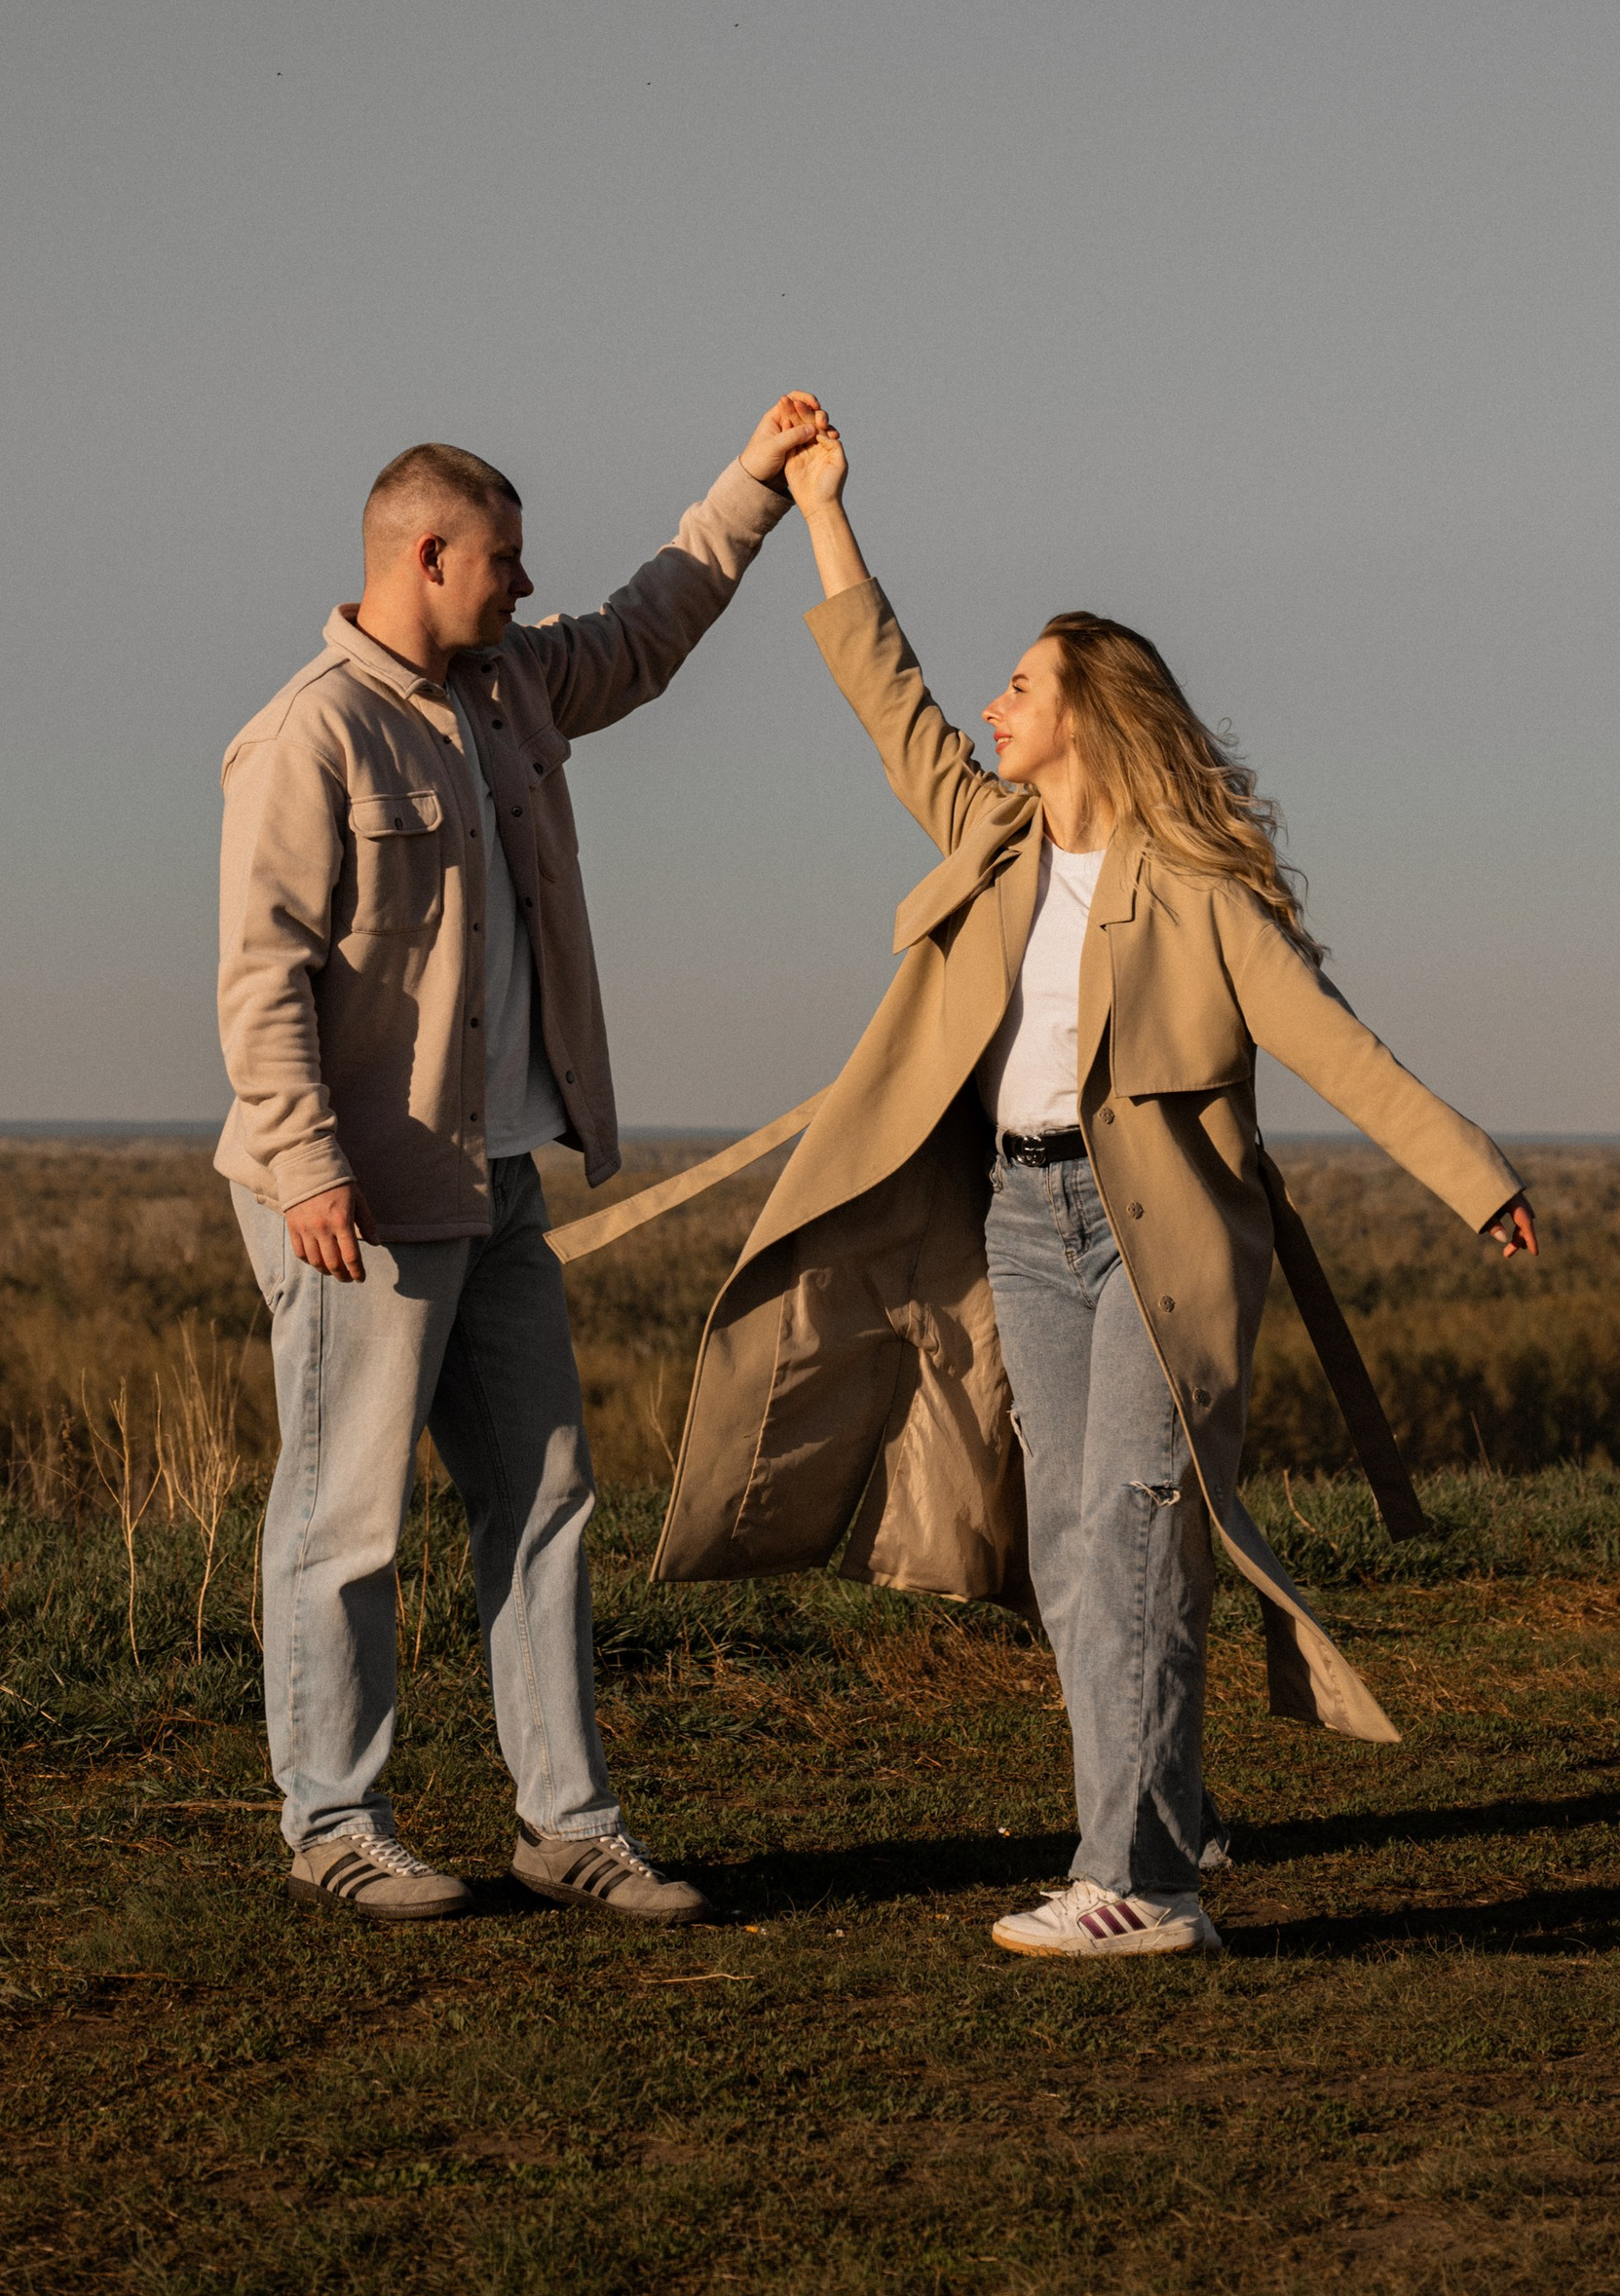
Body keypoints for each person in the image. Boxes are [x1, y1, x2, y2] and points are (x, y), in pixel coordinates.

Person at [653, 419, 1536, 1959]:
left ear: (1086, 719)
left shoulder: (1197, 896)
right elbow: (888, 692)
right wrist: (821, 514)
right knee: (1075, 1534)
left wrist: (1477, 1177)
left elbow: (1338, 1047)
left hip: (1160, 1247)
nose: (993, 707)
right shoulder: (993, 840)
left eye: (1023, 688)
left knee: (1129, 1524)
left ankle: (1134, 1880)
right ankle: (1172, 1815)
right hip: (1022, 1217)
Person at [216, 397, 829, 1924]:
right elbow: (261, 972)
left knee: (548, 1495)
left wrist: (751, 487)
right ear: (426, 555)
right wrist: (304, 1169)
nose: (521, 582)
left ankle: (566, 1825)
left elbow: (647, 626)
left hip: (495, 1182)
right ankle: (335, 1822)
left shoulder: (513, 691)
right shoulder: (312, 732)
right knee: (345, 1518)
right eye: (501, 559)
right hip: (356, 1197)